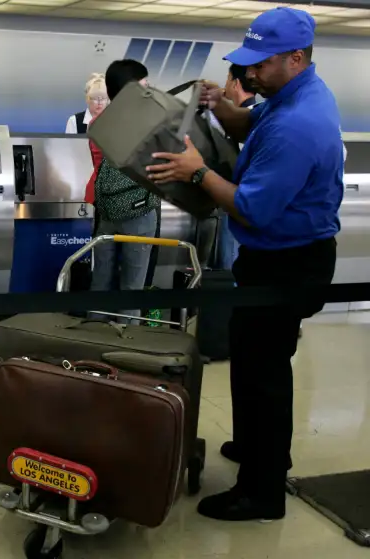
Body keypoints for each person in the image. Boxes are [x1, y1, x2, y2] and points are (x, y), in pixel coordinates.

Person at [146, 7, 342, 521]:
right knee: (253, 360)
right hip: (275, 256)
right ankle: (258, 449)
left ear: (295, 58)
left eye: (259, 64)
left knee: (264, 373)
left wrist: (197, 172)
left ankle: (262, 490)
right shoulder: (292, 97)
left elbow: (252, 206)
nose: (248, 74)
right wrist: (218, 106)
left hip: (288, 264)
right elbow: (246, 118)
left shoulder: (298, 125)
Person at [86, 60, 160, 323]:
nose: (149, 89)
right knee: (133, 285)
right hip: (139, 210)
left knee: (101, 280)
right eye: (144, 84)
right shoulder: (148, 122)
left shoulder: (98, 122)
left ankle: (94, 334)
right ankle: (126, 343)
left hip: (106, 208)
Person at [216, 64, 259, 270]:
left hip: (238, 206)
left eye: (227, 78)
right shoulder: (258, 117)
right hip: (239, 206)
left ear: (235, 83)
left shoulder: (248, 122)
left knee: (231, 269)